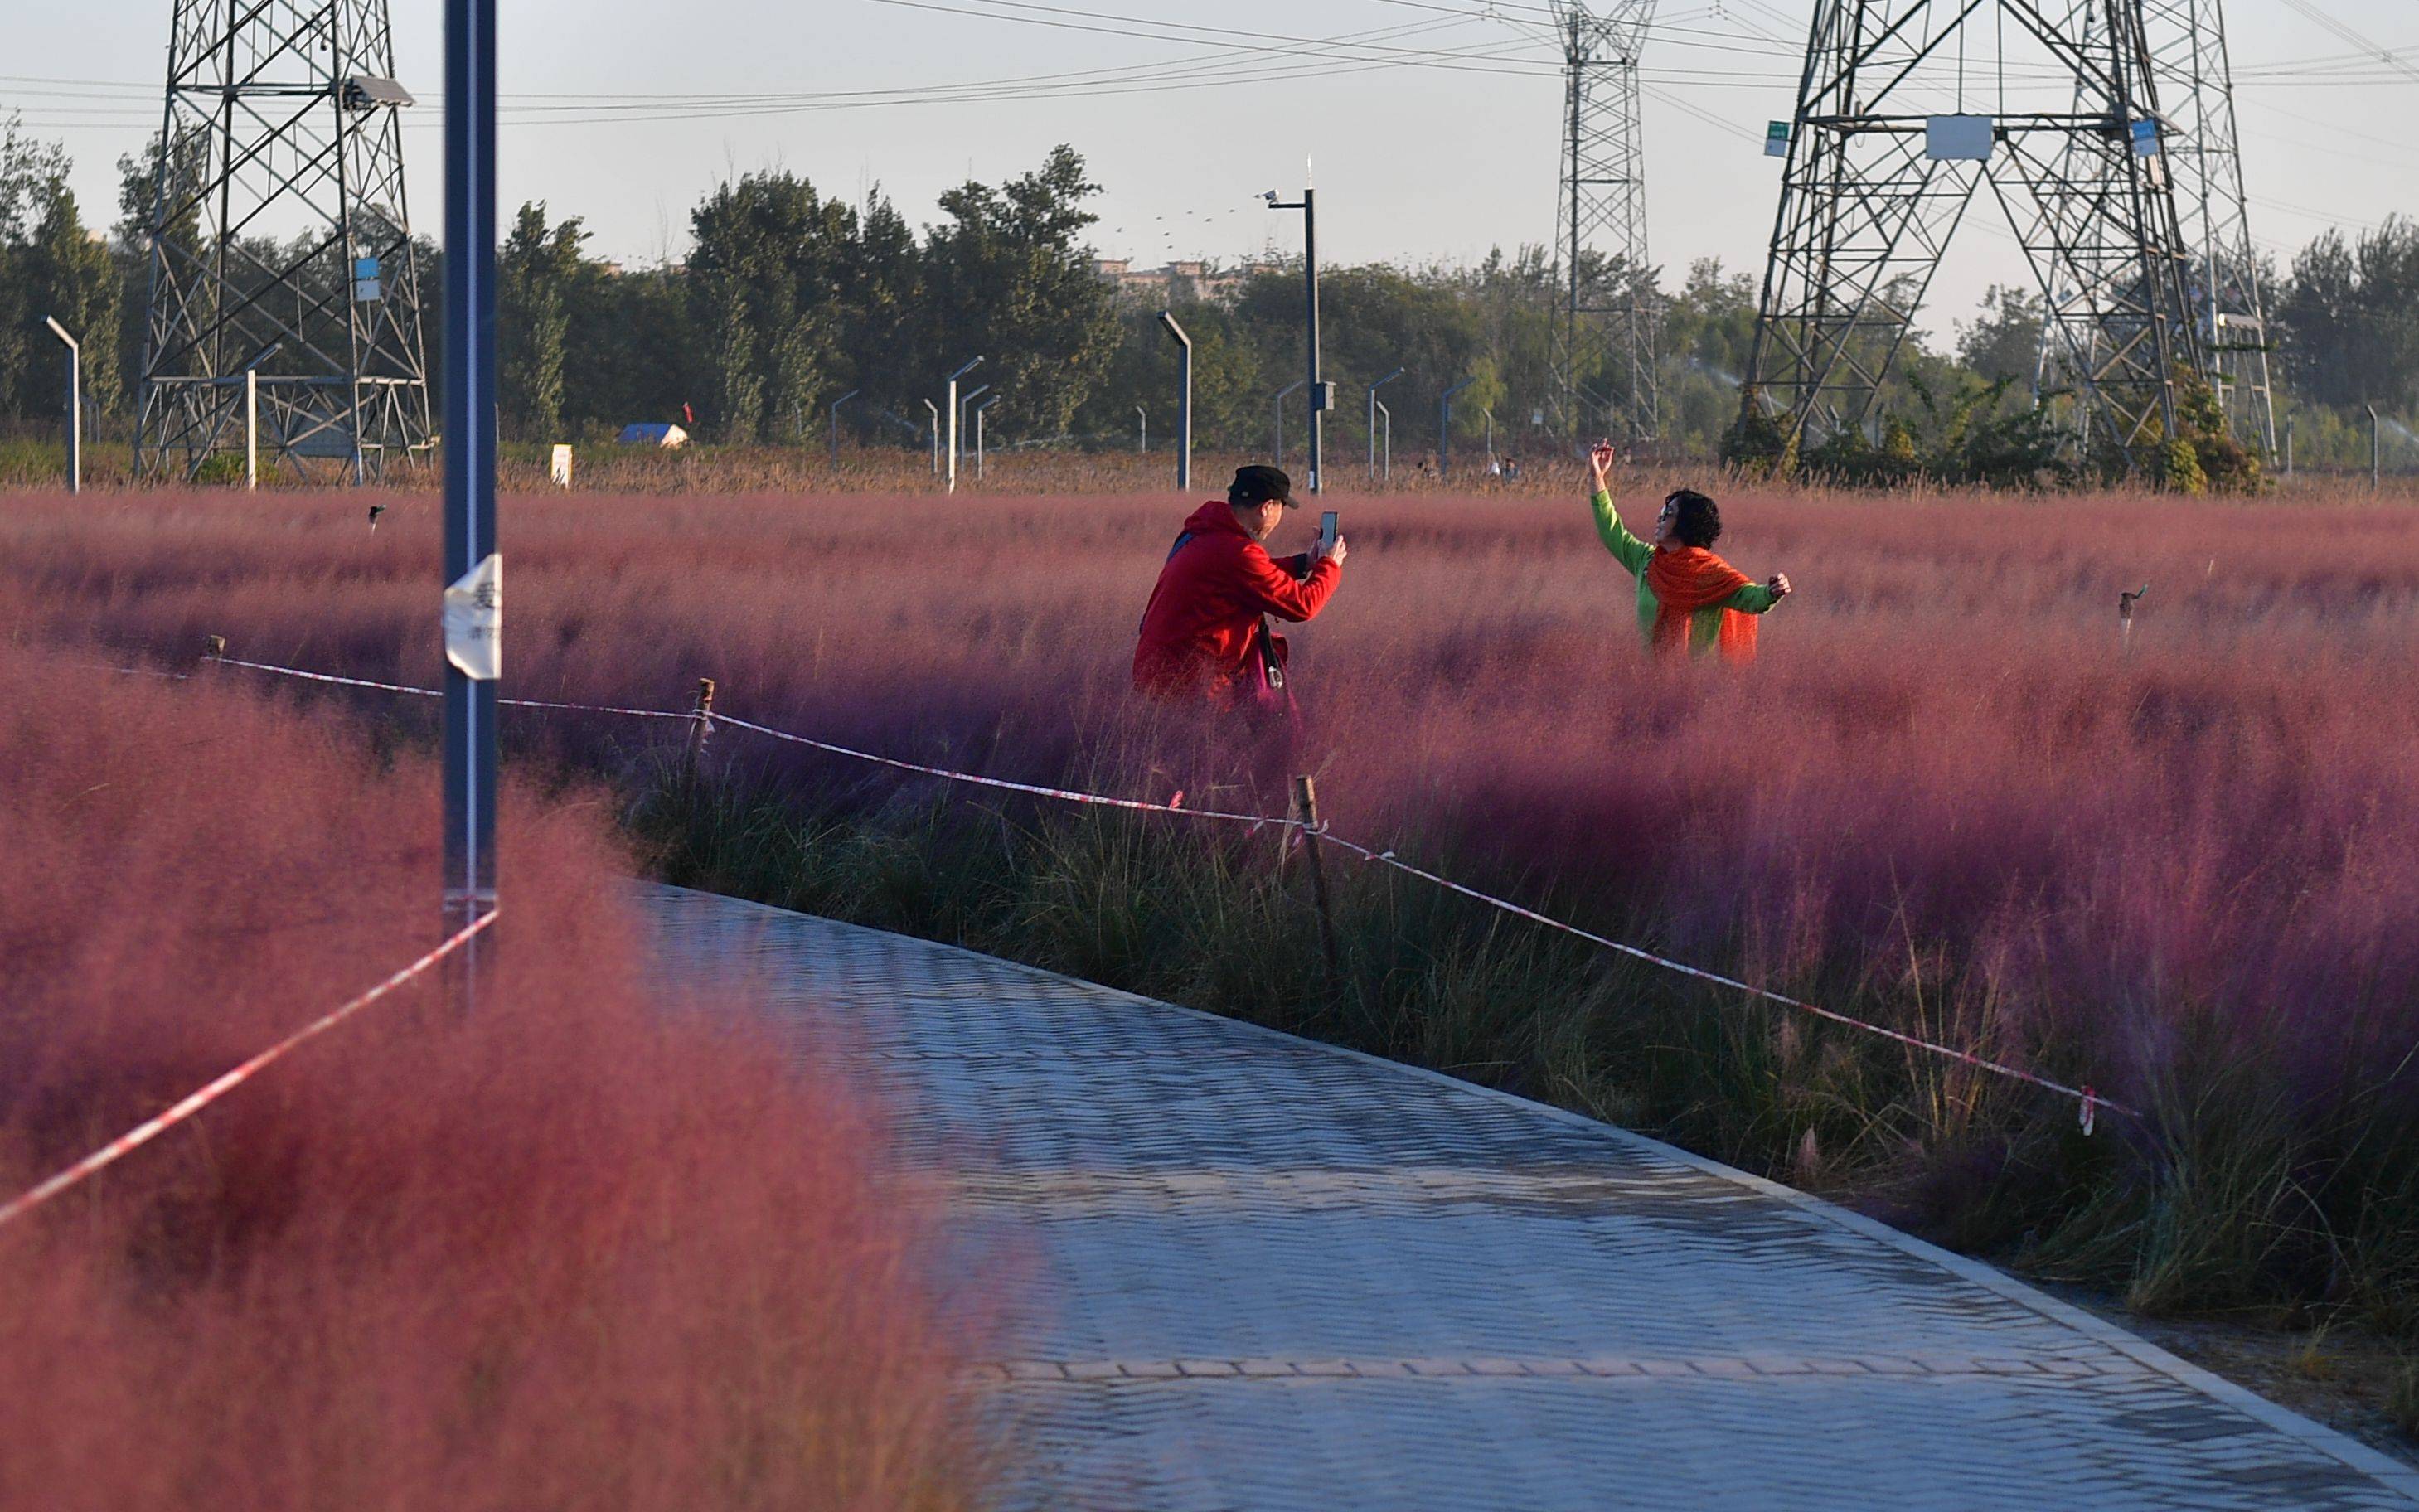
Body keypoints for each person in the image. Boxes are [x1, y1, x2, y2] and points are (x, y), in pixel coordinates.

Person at [1132, 464, 1348, 706]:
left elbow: (1245, 575)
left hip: (1156, 676)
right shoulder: (1238, 551)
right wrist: (1329, 565)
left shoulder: (1203, 533)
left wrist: (1303, 564)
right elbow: (1303, 605)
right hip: (1191, 686)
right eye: (1282, 507)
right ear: (1266, 508)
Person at [1586, 441, 1791, 664]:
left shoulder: (1711, 573)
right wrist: (1597, 479)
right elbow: (1612, 531)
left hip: (1698, 687)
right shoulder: (1647, 561)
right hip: (1651, 681)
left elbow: (1750, 598)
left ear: (1686, 523)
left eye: (1668, 514)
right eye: (1662, 512)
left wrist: (1771, 592)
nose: (1659, 519)